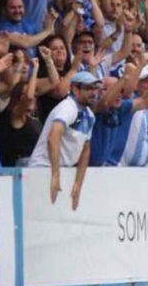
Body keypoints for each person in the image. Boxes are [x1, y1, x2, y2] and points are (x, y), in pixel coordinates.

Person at [28, 70, 100, 210]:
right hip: (43, 168)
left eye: (95, 88)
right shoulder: (67, 108)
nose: (93, 92)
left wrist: (78, 184)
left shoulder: (89, 115)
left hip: (61, 169)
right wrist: (55, 174)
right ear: (75, 89)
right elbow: (53, 137)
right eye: (88, 88)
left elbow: (86, 149)